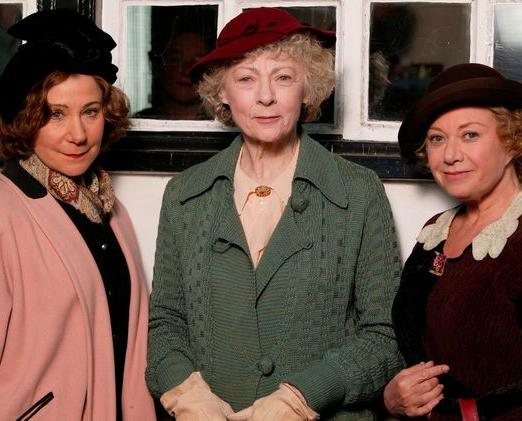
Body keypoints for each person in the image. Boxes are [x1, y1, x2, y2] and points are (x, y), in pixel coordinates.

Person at [146, 7, 403, 421]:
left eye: (283, 77)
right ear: (222, 93)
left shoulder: (359, 191)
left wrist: (302, 398)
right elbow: (165, 325)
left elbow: (385, 337)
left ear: (308, 90)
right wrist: (188, 397)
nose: (265, 96)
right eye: (246, 79)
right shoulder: (183, 195)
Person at [0, 9, 156, 420]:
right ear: (27, 120)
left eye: (90, 112)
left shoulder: (109, 211)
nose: (78, 134)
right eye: (55, 114)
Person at [383, 63, 522, 420]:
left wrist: (457, 415)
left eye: (470, 135)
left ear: (513, 143)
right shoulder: (435, 233)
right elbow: (411, 352)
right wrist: (392, 396)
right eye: (437, 138)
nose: (450, 155)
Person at [136, 31, 210, 120]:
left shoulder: (219, 124)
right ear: (157, 66)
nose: (186, 71)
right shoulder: (138, 123)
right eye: (176, 60)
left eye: (197, 62)